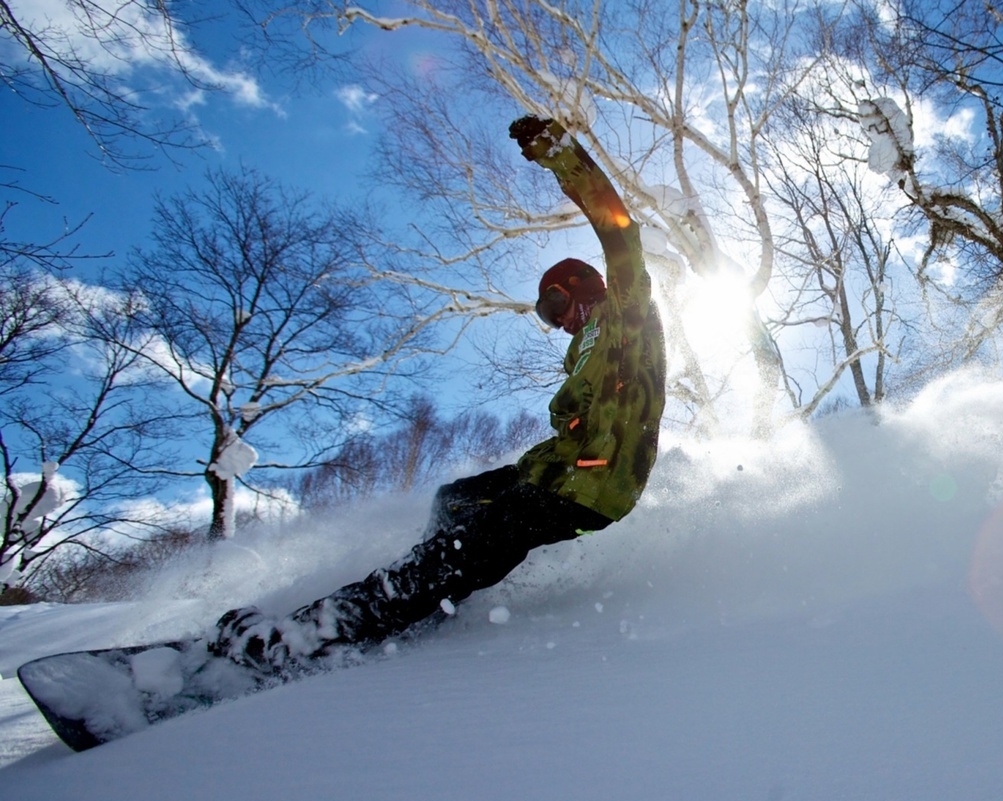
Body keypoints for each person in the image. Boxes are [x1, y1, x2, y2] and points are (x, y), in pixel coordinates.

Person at [209, 116, 666, 675]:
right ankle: (421, 600)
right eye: (549, 319)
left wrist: (559, 153)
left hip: (598, 481)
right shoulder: (586, 347)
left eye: (554, 307)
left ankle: (314, 634)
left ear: (580, 286)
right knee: (454, 500)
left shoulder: (627, 307)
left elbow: (617, 229)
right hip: (556, 471)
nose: (557, 324)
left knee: (473, 539)